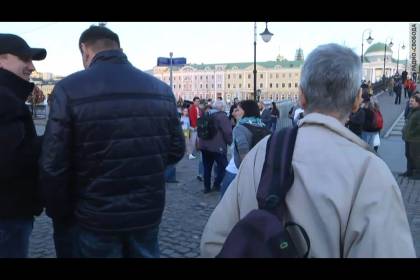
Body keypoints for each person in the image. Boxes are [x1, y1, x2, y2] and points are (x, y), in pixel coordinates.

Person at [201, 43, 415, 258]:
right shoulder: (371, 172)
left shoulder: (260, 153)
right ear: (357, 100)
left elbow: (213, 243)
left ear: (301, 97)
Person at [39, 26, 185, 258]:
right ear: (119, 48)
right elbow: (176, 150)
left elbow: (54, 161)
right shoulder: (161, 90)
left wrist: (60, 211)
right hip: (146, 212)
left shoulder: (69, 88)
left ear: (85, 51)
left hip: (94, 213)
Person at [0, 33, 46, 258]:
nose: (32, 67)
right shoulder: (5, 99)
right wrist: (51, 139)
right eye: (24, 59)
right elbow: (10, 162)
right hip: (8, 214)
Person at [220, 100, 269, 198]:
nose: (236, 112)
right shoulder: (263, 126)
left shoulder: (240, 128)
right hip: (259, 170)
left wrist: (247, 175)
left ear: (245, 111)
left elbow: (244, 154)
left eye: (239, 109)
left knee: (225, 200)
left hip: (237, 171)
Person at [197, 100, 232, 194]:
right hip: (217, 147)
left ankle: (207, 188)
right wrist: (230, 142)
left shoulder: (206, 114)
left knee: (207, 168)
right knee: (225, 167)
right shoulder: (222, 116)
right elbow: (228, 132)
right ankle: (216, 185)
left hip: (204, 146)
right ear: (222, 107)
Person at [402, 94, 420, 178]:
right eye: (410, 101)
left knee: (415, 156)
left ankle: (417, 173)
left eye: (412, 101)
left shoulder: (418, 113)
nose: (410, 102)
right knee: (408, 155)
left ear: (418, 103)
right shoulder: (412, 111)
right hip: (408, 138)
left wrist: (412, 132)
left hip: (415, 139)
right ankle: (409, 171)